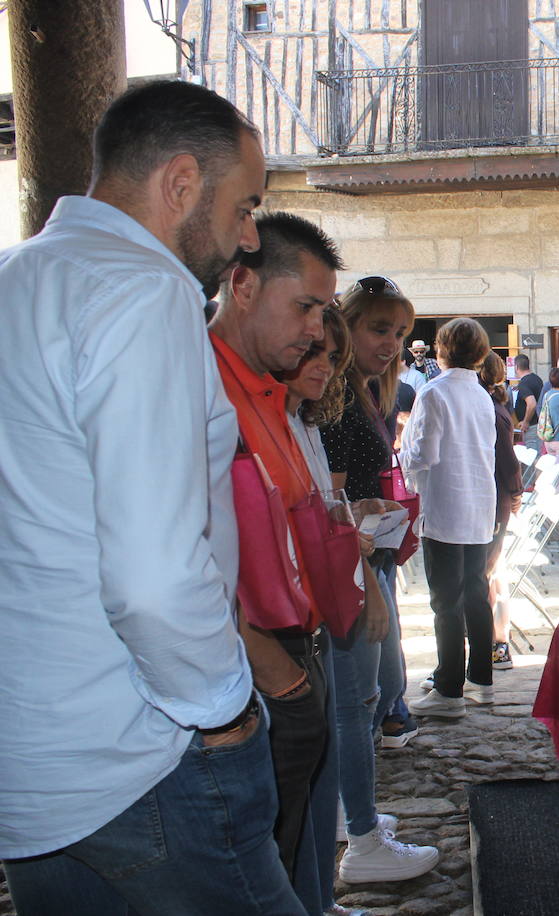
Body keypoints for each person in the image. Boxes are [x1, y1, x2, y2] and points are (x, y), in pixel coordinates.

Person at [0, 80, 305, 916]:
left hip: (33, 757)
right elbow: (150, 573)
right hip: (142, 751)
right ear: (179, 185)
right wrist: (223, 709)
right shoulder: (140, 289)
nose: (248, 239)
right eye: (245, 207)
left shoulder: (15, 276)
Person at [275, 304, 441, 899]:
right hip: (345, 576)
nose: (322, 366)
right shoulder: (317, 412)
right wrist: (365, 563)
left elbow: (328, 502)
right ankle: (362, 838)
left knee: (368, 695)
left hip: (356, 564)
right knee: (355, 704)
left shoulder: (322, 410)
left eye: (400, 335)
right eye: (381, 330)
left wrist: (364, 519)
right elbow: (317, 512)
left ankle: (352, 821)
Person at [210, 211, 342, 911]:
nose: (317, 331)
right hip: (255, 674)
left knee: (287, 857)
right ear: (242, 285)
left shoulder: (272, 392)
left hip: (291, 657)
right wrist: (278, 677)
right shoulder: (205, 388)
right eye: (305, 307)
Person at [323, 277, 418, 750]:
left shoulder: (367, 391)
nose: (391, 344)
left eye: (400, 334)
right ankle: (350, 818)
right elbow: (332, 505)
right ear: (347, 326)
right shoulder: (337, 397)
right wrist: (368, 585)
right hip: (353, 562)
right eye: (380, 329)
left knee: (383, 689)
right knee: (368, 697)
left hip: (371, 555)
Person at [403, 318, 498, 718]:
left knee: (446, 600)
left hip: (445, 502)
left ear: (441, 349)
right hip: (478, 501)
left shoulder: (434, 391)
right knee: (476, 593)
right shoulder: (480, 394)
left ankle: (449, 689)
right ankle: (481, 679)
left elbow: (424, 453)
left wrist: (402, 458)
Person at [481, 352, 523, 671]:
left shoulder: (492, 412)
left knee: (490, 575)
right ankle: (498, 642)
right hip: (494, 500)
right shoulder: (493, 407)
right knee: (496, 574)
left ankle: (497, 643)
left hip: (493, 501)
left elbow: (507, 459)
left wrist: (516, 492)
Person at [511, 353, 543, 439]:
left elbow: (532, 404)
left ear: (516, 367)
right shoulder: (536, 378)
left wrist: (526, 421)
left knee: (532, 451)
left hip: (531, 427)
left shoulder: (524, 383)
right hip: (539, 424)